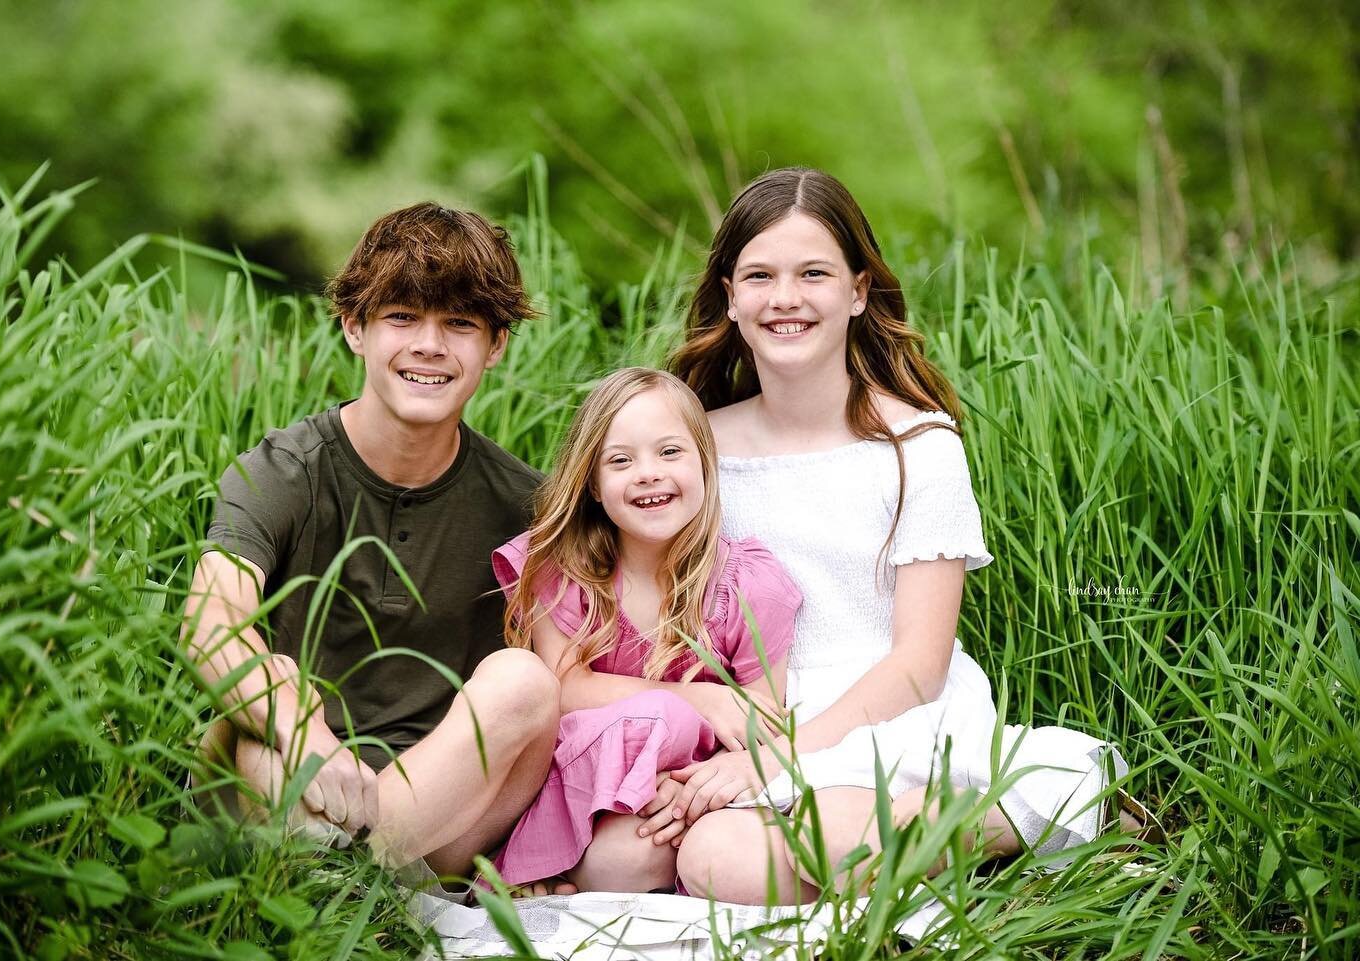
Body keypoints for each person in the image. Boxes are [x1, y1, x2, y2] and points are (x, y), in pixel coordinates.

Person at [662, 167, 1132, 904]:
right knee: (712, 857)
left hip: (893, 710)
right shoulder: (694, 444)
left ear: (856, 290)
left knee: (805, 841)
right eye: (760, 275)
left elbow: (920, 659)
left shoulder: (918, 443)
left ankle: (985, 812)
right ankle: (897, 846)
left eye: (813, 272)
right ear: (730, 296)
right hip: (755, 709)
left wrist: (779, 757)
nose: (785, 298)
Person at [184, 202, 559, 887]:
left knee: (527, 682)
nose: (430, 345)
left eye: (460, 324)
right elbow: (210, 624)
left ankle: (346, 876)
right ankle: (375, 886)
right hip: (297, 772)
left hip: (445, 809)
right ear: (354, 327)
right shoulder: (283, 470)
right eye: (402, 317)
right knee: (254, 722)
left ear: (496, 345)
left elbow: (585, 669)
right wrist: (315, 745)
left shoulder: (528, 503)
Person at [488, 367, 802, 895]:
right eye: (620, 460)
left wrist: (691, 788)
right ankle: (532, 865)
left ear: (706, 461)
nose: (648, 473)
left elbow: (764, 720)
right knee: (667, 716)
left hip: (684, 786)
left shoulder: (749, 584)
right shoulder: (562, 572)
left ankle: (574, 872)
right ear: (591, 483)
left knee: (639, 857)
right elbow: (564, 689)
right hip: (578, 779)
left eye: (670, 452)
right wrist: (696, 696)